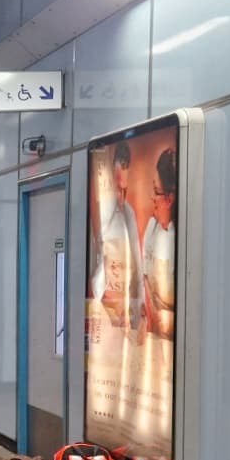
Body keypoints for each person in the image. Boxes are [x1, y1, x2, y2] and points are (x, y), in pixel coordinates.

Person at [92, 141, 144, 331]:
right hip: (103, 316)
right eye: (117, 190)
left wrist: (140, 314)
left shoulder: (129, 214)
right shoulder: (101, 213)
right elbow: (96, 268)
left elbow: (138, 268)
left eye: (124, 191)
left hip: (125, 318)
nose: (120, 198)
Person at [142, 149, 177, 338]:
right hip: (154, 333)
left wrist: (171, 319)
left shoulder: (180, 240)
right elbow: (145, 276)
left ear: (170, 199)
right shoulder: (152, 227)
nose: (152, 198)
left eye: (156, 192)